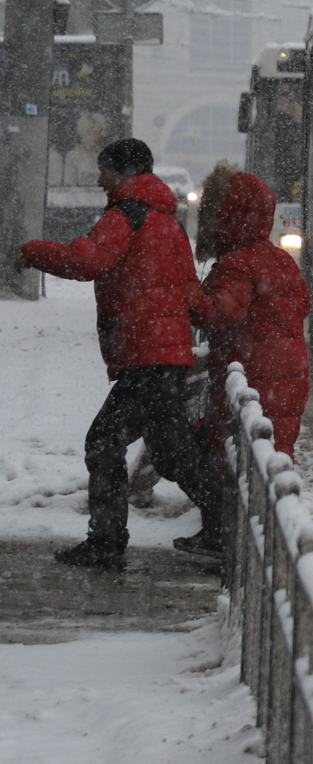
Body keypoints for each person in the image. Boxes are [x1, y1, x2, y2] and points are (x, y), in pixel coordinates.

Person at [14, 138, 227, 571]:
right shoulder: (167, 220)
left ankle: (108, 542)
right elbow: (188, 289)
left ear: (125, 172)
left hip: (146, 355)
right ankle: (223, 522)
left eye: (104, 170)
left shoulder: (124, 214)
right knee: (169, 450)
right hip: (165, 352)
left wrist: (32, 251)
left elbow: (87, 260)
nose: (99, 179)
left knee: (105, 442)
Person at [190, 171, 311, 463]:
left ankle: (235, 507)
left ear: (227, 216)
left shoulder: (238, 264)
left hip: (255, 372)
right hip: (289, 372)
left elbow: (222, 312)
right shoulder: (279, 257)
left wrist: (188, 295)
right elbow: (303, 303)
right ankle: (275, 501)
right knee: (273, 451)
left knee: (239, 456)